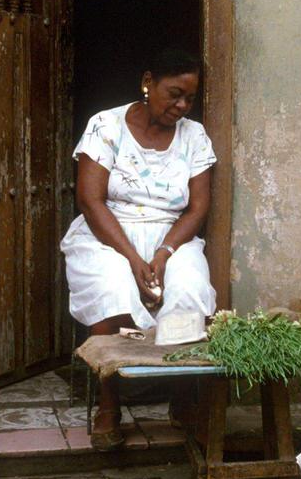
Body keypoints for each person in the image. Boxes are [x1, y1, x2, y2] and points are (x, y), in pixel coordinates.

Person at [60, 49, 216, 450]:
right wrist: (133, 259)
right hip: (108, 233)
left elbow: (198, 207)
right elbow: (90, 200)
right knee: (112, 287)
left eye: (189, 99)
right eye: (174, 94)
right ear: (148, 81)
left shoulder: (194, 136)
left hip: (170, 235)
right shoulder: (105, 126)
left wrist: (162, 255)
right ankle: (109, 405)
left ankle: (181, 400)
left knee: (189, 285)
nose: (181, 106)